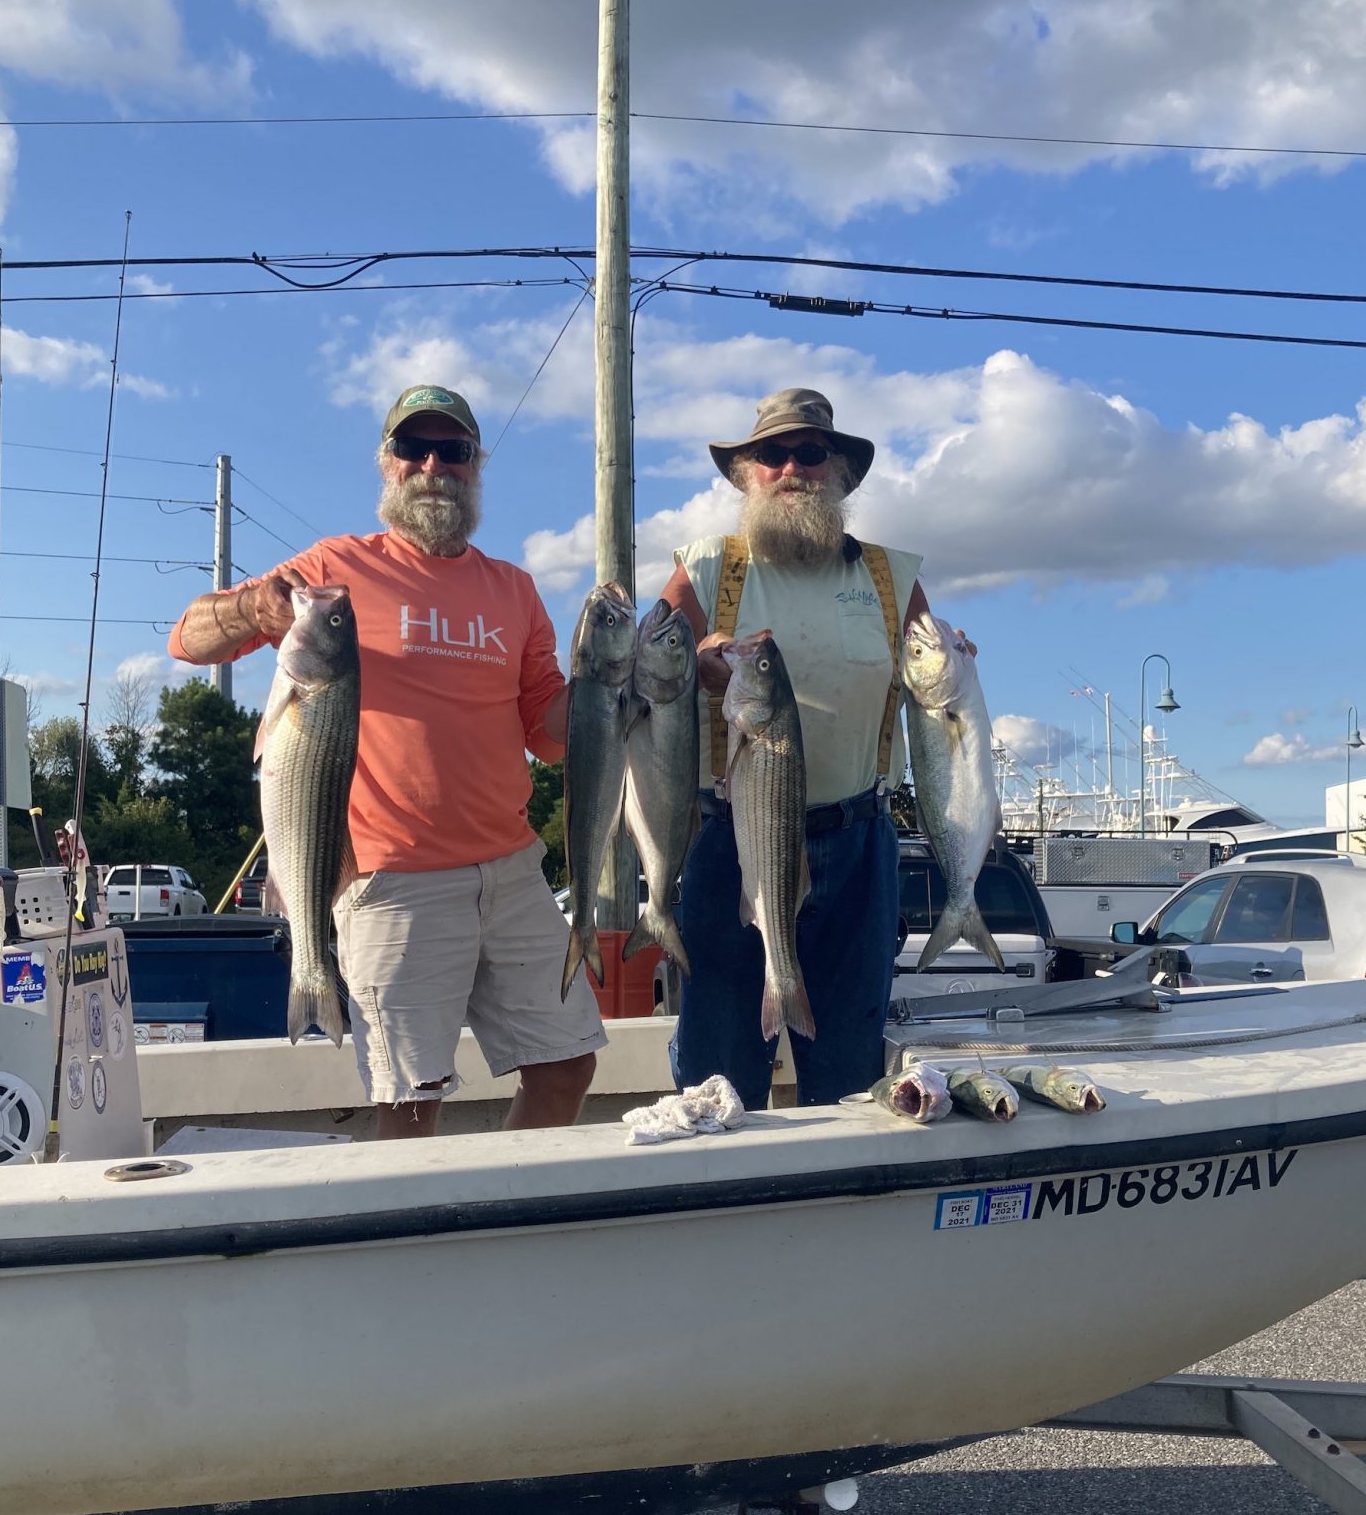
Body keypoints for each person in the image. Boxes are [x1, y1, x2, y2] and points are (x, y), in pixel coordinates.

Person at [168, 384, 605, 1138]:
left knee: (568, 1065)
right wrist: (253, 610)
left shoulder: (515, 588)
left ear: (476, 466)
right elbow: (187, 637)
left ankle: (506, 1221)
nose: (433, 463)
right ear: (387, 463)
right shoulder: (335, 571)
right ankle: (425, 1250)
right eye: (414, 448)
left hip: (512, 870)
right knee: (409, 1099)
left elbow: (549, 732)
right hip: (390, 879)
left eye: (454, 450)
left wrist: (611, 687)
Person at [658, 386, 962, 1108]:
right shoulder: (708, 565)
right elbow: (650, 659)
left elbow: (936, 681)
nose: (791, 468)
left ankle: (839, 1211)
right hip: (732, 842)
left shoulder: (891, 576)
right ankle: (722, 1211)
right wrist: (693, 654)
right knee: (718, 1076)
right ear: (745, 474)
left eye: (811, 453)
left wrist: (958, 662)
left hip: (858, 844)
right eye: (772, 454)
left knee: (853, 1075)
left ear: (843, 475)